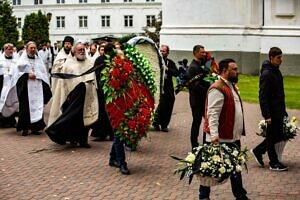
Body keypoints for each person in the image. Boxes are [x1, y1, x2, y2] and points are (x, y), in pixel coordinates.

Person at [200, 58, 248, 200]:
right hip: (220, 138)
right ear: (224, 71)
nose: (237, 71)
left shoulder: (230, 86)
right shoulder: (217, 88)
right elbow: (212, 113)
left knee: (235, 168)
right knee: (209, 167)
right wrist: (214, 136)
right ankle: (203, 196)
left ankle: (240, 195)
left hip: (232, 137)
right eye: (234, 69)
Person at [46, 42, 99, 148]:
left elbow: (93, 79)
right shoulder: (68, 65)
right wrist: (67, 95)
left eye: (83, 49)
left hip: (87, 96)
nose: (82, 51)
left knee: (85, 120)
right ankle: (71, 138)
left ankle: (83, 141)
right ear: (74, 52)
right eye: (79, 50)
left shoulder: (89, 63)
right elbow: (64, 83)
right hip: (73, 97)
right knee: (73, 119)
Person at [251, 47, 288, 171]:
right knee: (273, 136)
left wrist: (283, 110)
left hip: (278, 110)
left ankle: (258, 150)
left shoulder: (276, 71)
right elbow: (263, 96)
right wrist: (266, 115)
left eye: (281, 57)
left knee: (278, 135)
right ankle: (273, 162)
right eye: (278, 58)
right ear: (271, 58)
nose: (281, 60)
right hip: (272, 111)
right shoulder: (267, 74)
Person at [13, 41, 52, 136]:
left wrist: (38, 76)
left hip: (37, 87)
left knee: (38, 106)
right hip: (26, 88)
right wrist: (27, 75)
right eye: (31, 48)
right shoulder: (21, 61)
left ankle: (36, 128)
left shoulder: (39, 60)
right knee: (25, 108)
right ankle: (25, 128)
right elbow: (17, 74)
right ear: (26, 49)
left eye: (34, 48)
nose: (33, 50)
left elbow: (43, 73)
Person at [185, 45, 211, 149]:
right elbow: (193, 85)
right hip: (196, 100)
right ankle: (194, 144)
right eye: (202, 52)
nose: (204, 54)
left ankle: (206, 142)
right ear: (195, 53)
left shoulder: (201, 65)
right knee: (196, 122)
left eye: (204, 52)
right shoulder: (193, 67)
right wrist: (208, 87)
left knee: (207, 121)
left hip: (203, 99)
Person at [89, 42, 114, 141]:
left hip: (112, 90)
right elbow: (95, 73)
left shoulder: (114, 59)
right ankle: (101, 133)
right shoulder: (99, 60)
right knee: (102, 112)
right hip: (101, 90)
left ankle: (112, 133)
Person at [152, 44, 179, 132]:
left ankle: (164, 124)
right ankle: (156, 123)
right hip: (158, 87)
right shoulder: (155, 61)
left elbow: (176, 72)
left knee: (169, 103)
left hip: (168, 87)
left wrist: (167, 69)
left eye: (164, 51)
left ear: (167, 53)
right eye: (161, 51)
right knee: (160, 105)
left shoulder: (170, 62)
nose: (162, 53)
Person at [0, 43, 18, 128]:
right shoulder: (0, 60)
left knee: (12, 102)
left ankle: (11, 121)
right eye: (9, 49)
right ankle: (2, 121)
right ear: (5, 50)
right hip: (2, 84)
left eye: (12, 49)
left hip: (13, 85)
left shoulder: (16, 60)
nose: (11, 51)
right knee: (2, 103)